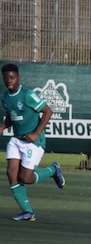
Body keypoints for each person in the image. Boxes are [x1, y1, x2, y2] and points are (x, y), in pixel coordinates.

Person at [2, 63, 65, 221]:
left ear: (18, 78)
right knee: (11, 174)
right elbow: (12, 114)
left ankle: (53, 170)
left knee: (26, 178)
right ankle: (27, 212)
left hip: (33, 142)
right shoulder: (4, 97)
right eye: (6, 78)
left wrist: (36, 133)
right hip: (16, 140)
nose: (9, 80)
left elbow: (48, 111)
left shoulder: (28, 95)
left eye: (12, 77)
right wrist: (3, 126)